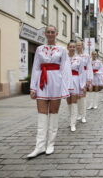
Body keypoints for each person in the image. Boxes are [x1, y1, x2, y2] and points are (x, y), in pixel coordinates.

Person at [28, 25, 71, 158]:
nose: (51, 34)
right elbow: (35, 68)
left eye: (53, 32)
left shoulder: (62, 50)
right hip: (42, 82)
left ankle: (50, 144)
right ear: (45, 34)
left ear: (56, 34)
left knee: (53, 113)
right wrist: (33, 87)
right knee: (41, 115)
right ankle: (39, 146)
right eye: (48, 32)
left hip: (56, 83)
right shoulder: (39, 49)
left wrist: (65, 88)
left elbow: (65, 69)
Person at [67, 41, 86, 132]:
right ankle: (71, 120)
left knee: (74, 101)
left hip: (75, 80)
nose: (72, 48)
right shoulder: (64, 58)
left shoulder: (79, 59)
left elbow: (82, 72)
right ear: (68, 47)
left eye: (74, 47)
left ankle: (73, 123)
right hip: (66, 81)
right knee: (69, 102)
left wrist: (82, 85)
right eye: (70, 46)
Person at [76, 40, 93, 123]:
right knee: (77, 97)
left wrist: (89, 80)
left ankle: (83, 115)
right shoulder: (74, 56)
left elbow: (89, 68)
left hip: (85, 76)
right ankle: (79, 114)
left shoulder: (87, 56)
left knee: (83, 96)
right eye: (77, 45)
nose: (78, 47)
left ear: (82, 46)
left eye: (79, 45)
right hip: (76, 77)